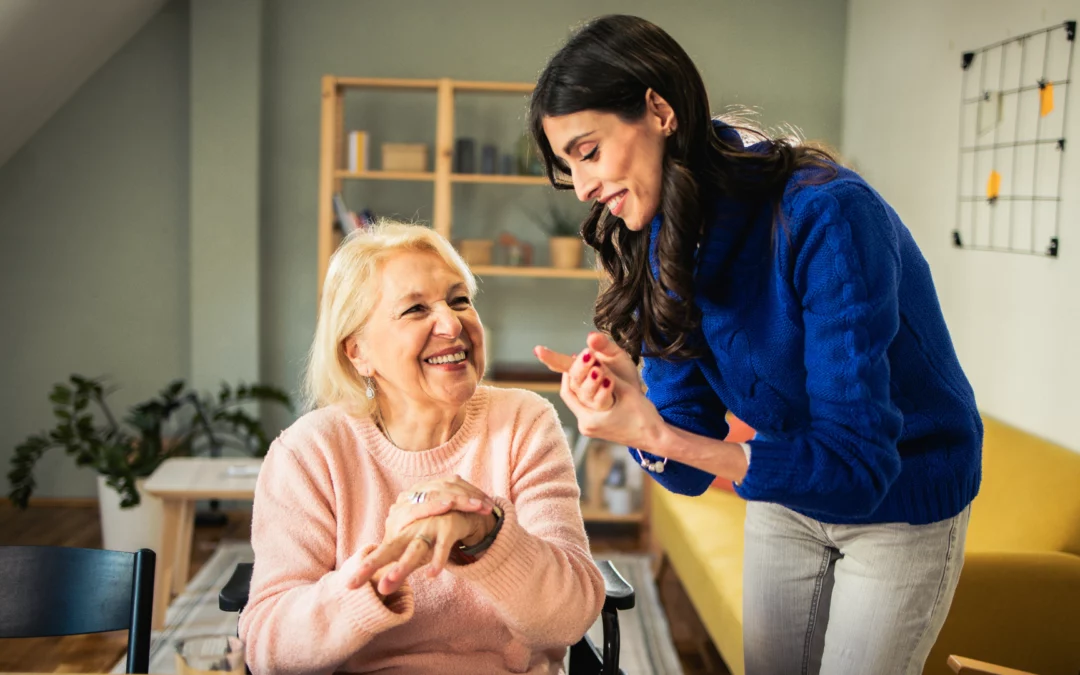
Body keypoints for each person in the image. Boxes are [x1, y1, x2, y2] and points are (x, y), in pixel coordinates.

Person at [528, 14, 982, 675]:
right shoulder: (659, 231)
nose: (586, 187)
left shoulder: (826, 214)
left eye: (589, 150)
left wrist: (665, 437)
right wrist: (640, 416)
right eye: (570, 167)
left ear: (658, 109)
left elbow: (857, 466)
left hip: (901, 495)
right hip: (787, 488)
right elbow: (682, 466)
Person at [239, 221, 605, 675]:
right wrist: (370, 582)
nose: (453, 324)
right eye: (415, 309)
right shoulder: (309, 453)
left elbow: (568, 620)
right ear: (358, 352)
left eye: (459, 301)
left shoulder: (524, 423)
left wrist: (485, 534)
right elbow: (267, 646)